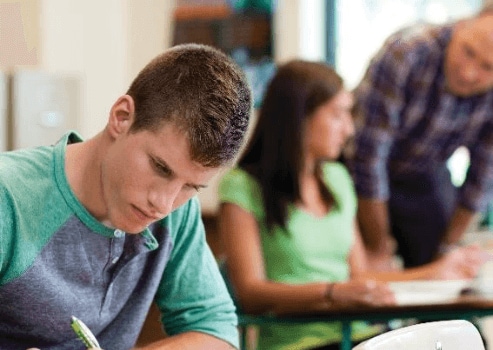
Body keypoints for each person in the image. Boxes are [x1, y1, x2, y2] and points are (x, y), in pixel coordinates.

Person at [217, 60, 487, 350]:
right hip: (298, 343)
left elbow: (360, 276)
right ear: (299, 118)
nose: (348, 129)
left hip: (360, 335)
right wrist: (332, 292)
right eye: (337, 115)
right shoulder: (241, 186)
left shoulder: (337, 179)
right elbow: (250, 292)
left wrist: (437, 271)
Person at [0, 43, 252, 350]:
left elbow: (216, 333)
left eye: (191, 187)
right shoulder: (8, 198)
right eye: (160, 167)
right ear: (121, 117)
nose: (164, 204)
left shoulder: (177, 213)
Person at [346, 6, 493, 269]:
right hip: (354, 168)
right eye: (468, 52)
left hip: (423, 173)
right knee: (365, 264)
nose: (469, 73)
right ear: (460, 27)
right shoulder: (408, 52)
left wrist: (445, 255)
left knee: (443, 267)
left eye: (487, 67)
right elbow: (368, 159)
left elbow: (482, 182)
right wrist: (380, 248)